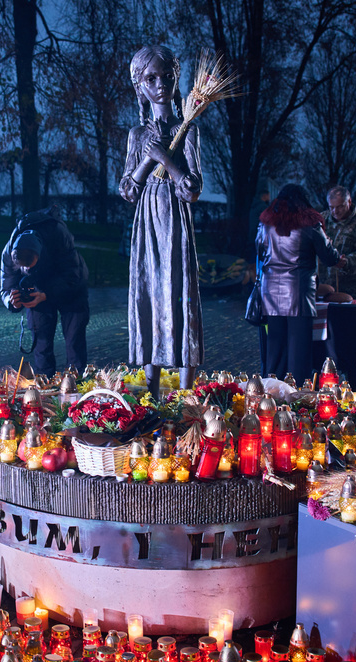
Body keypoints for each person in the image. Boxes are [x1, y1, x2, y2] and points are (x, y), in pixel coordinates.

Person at [118, 45, 204, 398]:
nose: (159, 85)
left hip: (176, 222)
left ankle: (185, 392)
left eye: (166, 77)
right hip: (147, 223)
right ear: (140, 85)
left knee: (180, 290)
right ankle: (151, 389)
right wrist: (147, 158)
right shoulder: (137, 135)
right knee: (149, 291)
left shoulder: (189, 129)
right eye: (150, 78)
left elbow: (192, 189)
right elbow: (126, 189)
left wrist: (167, 161)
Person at [256, 184, 345, 384]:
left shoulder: (266, 223)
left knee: (275, 349)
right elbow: (329, 256)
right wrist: (340, 256)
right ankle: (298, 397)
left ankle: (271, 393)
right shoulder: (310, 223)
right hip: (299, 293)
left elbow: (260, 250)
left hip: (271, 293)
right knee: (299, 350)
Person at [0, 206, 89, 376]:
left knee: (74, 341)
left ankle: (75, 387)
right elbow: (6, 286)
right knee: (41, 344)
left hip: (72, 291)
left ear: (39, 255)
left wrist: (47, 294)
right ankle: (45, 386)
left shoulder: (58, 235)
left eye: (30, 265)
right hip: (36, 294)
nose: (26, 269)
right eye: (22, 267)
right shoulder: (9, 251)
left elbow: (73, 275)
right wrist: (12, 301)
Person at [318, 186, 356, 300]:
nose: (335, 211)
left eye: (340, 207)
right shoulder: (321, 220)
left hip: (352, 288)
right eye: (332, 207)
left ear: (349, 202)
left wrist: (347, 262)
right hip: (325, 287)